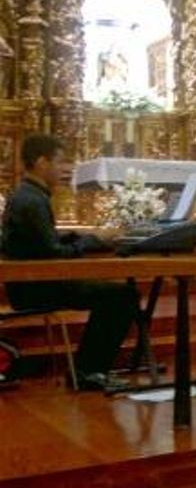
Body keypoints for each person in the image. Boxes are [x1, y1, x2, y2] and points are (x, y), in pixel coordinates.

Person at [1, 135, 138, 389]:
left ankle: (91, 368)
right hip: (37, 287)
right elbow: (54, 253)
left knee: (119, 294)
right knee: (121, 296)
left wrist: (83, 236)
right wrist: (93, 241)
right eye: (60, 162)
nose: (66, 169)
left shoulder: (28, 194)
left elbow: (43, 241)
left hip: (31, 281)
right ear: (42, 162)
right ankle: (88, 372)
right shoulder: (32, 200)